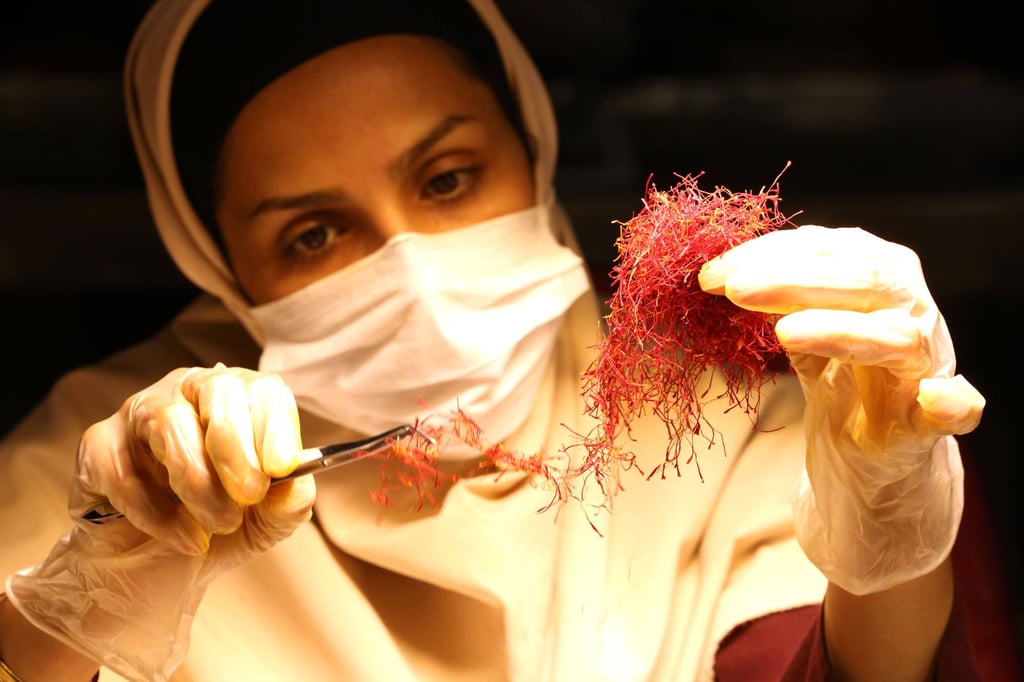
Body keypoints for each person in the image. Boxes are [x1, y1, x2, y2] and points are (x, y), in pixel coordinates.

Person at [0, 0, 987, 680]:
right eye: (312, 234)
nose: (411, 269)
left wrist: (887, 535)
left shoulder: (722, 411)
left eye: (446, 179)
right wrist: (94, 586)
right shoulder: (103, 476)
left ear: (533, 152)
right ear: (222, 269)